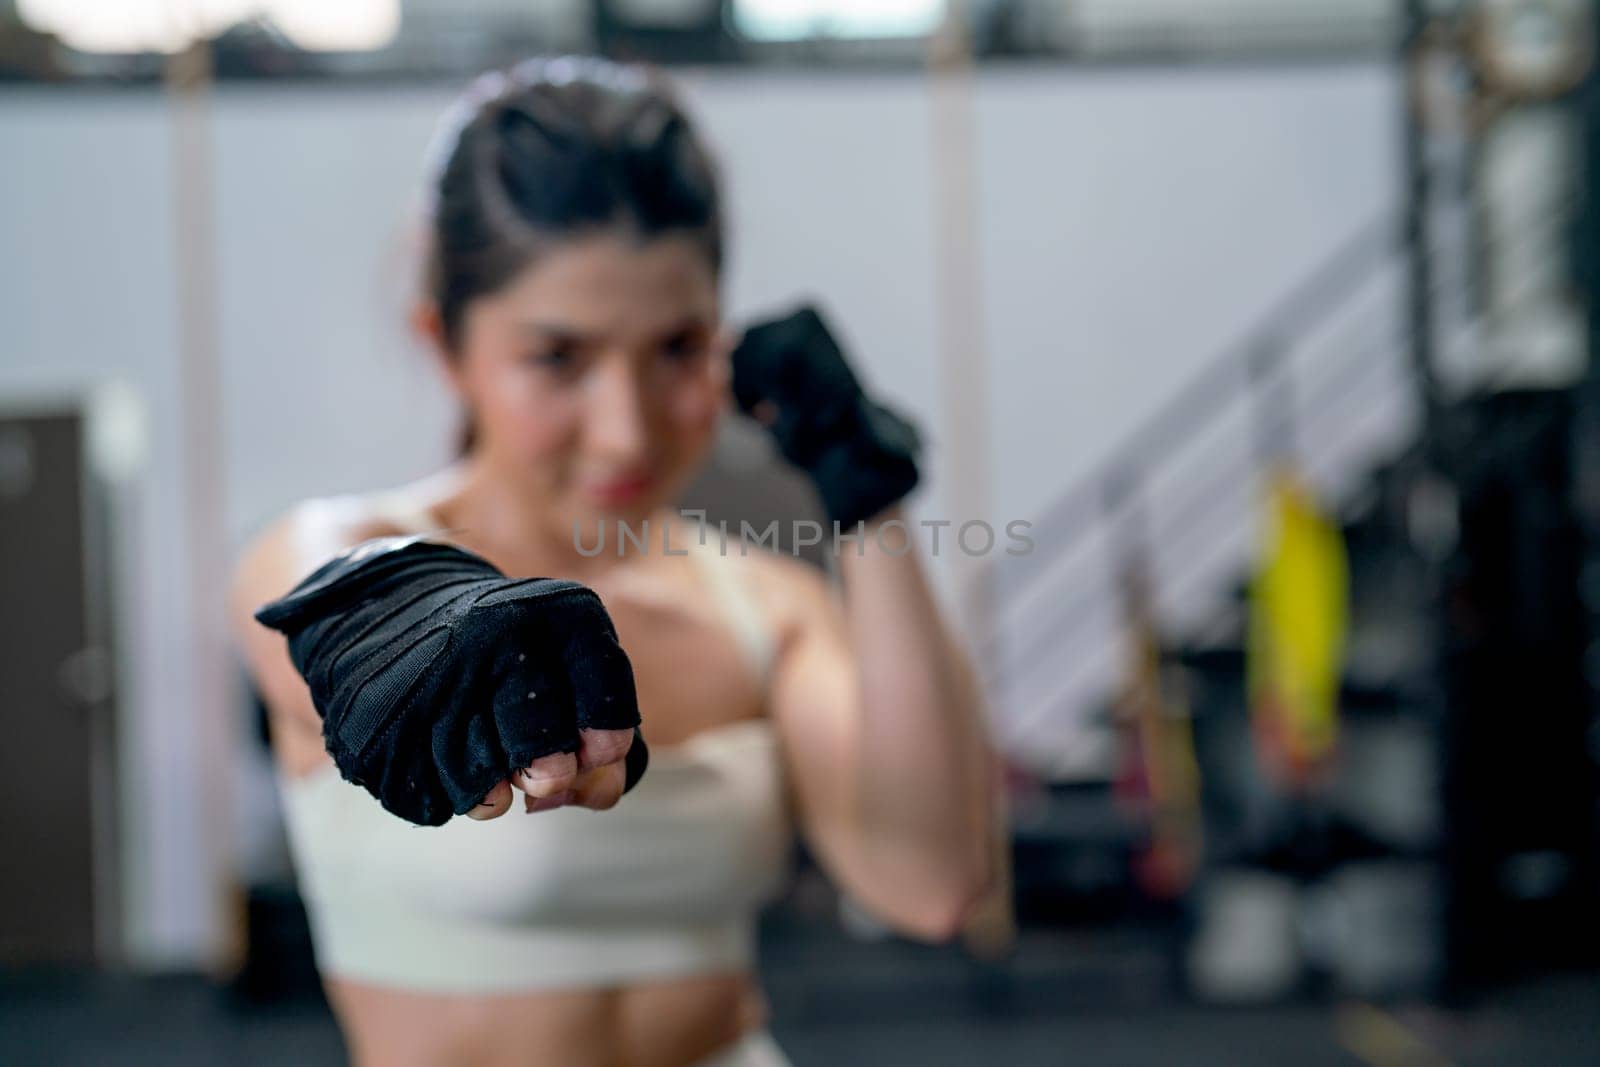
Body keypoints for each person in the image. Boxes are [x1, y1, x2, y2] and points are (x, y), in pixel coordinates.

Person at [228, 55, 998, 1067]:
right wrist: (439, 621)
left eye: (676, 349)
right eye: (559, 358)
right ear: (443, 345)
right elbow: (335, 617)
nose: (625, 430)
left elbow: (928, 877)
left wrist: (870, 500)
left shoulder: (767, 605)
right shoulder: (334, 550)